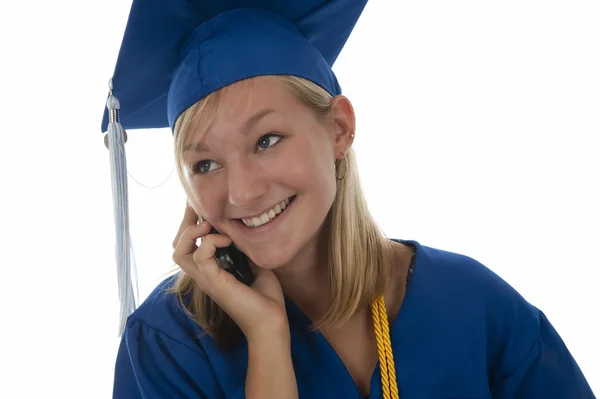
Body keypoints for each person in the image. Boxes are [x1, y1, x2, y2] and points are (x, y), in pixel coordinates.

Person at [101, 0, 595, 398]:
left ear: (338, 129)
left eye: (267, 140)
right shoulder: (166, 348)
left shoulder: (475, 306)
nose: (242, 192)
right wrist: (268, 340)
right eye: (205, 164)